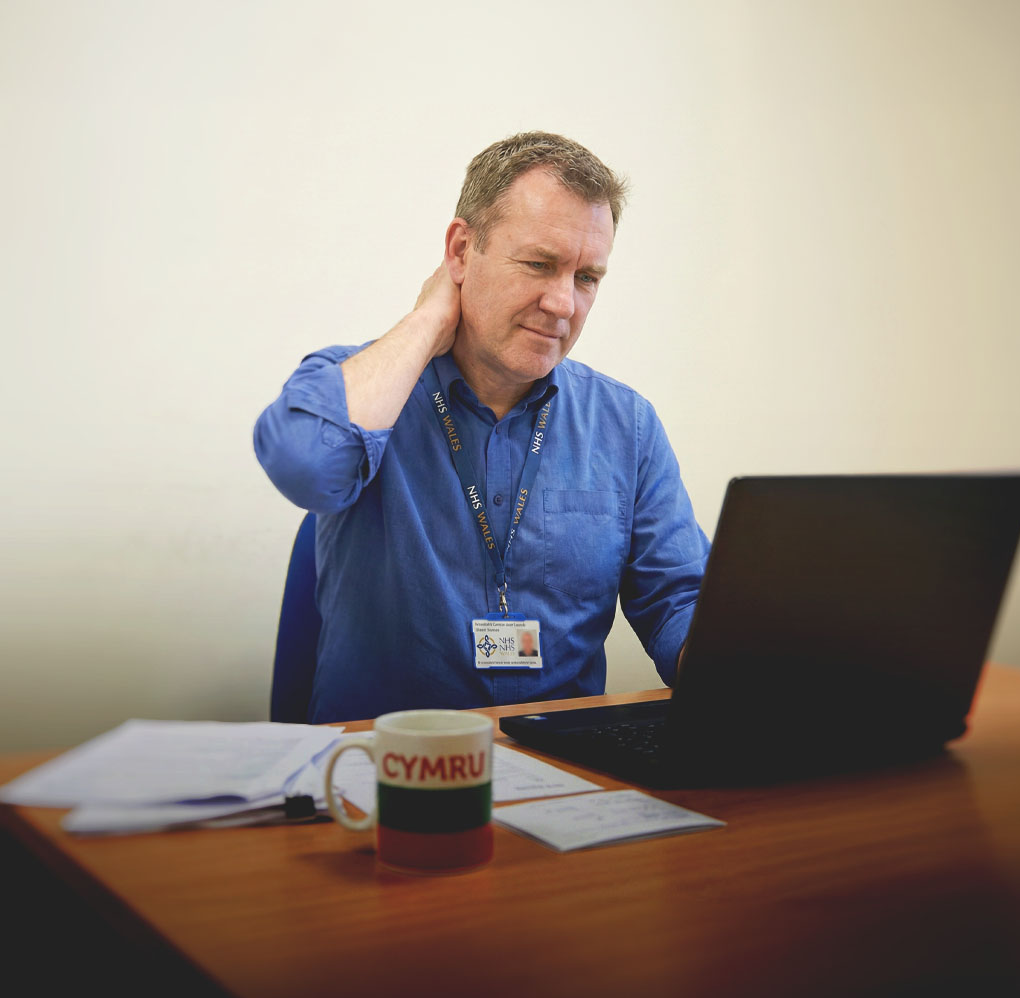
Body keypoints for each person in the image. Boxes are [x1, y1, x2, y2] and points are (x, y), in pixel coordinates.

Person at [255, 131, 709, 723]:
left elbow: (680, 600)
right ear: (462, 251)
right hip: (385, 771)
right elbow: (304, 467)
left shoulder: (626, 425)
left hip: (565, 773)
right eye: (539, 265)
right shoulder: (362, 387)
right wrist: (429, 317)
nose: (564, 304)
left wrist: (758, 663)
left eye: (586, 278)